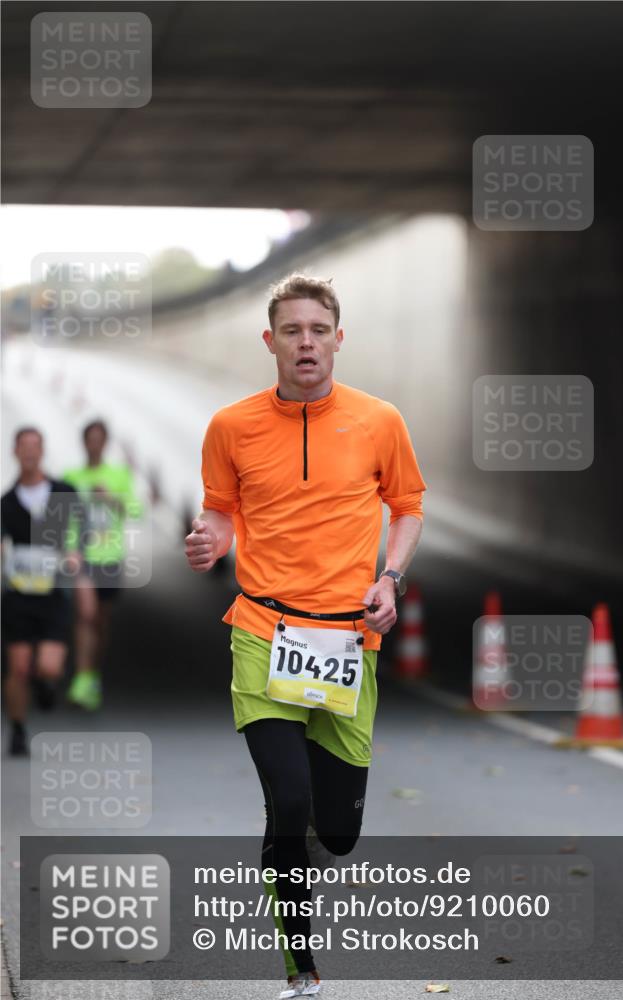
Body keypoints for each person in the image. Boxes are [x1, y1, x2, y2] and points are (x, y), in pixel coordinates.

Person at [185, 274, 426, 998]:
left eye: (317, 330)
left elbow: (407, 506)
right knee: (286, 801)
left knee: (338, 833)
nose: (306, 343)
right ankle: (302, 968)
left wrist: (390, 577)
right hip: (262, 630)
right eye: (291, 331)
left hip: (348, 644)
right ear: (271, 342)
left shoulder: (379, 420)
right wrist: (209, 539)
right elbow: (221, 512)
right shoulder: (232, 426)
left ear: (337, 339)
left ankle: (290, 856)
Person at [2, 428, 81, 756]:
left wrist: (75, 554)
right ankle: (18, 730)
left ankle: (43, 682)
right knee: (18, 665)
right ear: (15, 452)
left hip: (53, 593)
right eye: (24, 447)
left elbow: (83, 530)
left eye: (35, 446)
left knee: (49, 665)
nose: (30, 453)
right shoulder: (6, 503)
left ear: (42, 450)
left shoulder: (63, 492)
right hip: (19, 594)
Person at [62, 419, 140, 711]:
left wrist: (110, 499)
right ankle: (82, 679)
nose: (94, 444)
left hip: (109, 557)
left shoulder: (118, 475)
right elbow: (60, 514)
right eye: (90, 439)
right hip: (81, 557)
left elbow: (136, 509)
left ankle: (92, 675)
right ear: (84, 442)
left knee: (100, 621)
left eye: (99, 439)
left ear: (105, 443)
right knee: (85, 615)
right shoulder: (71, 476)